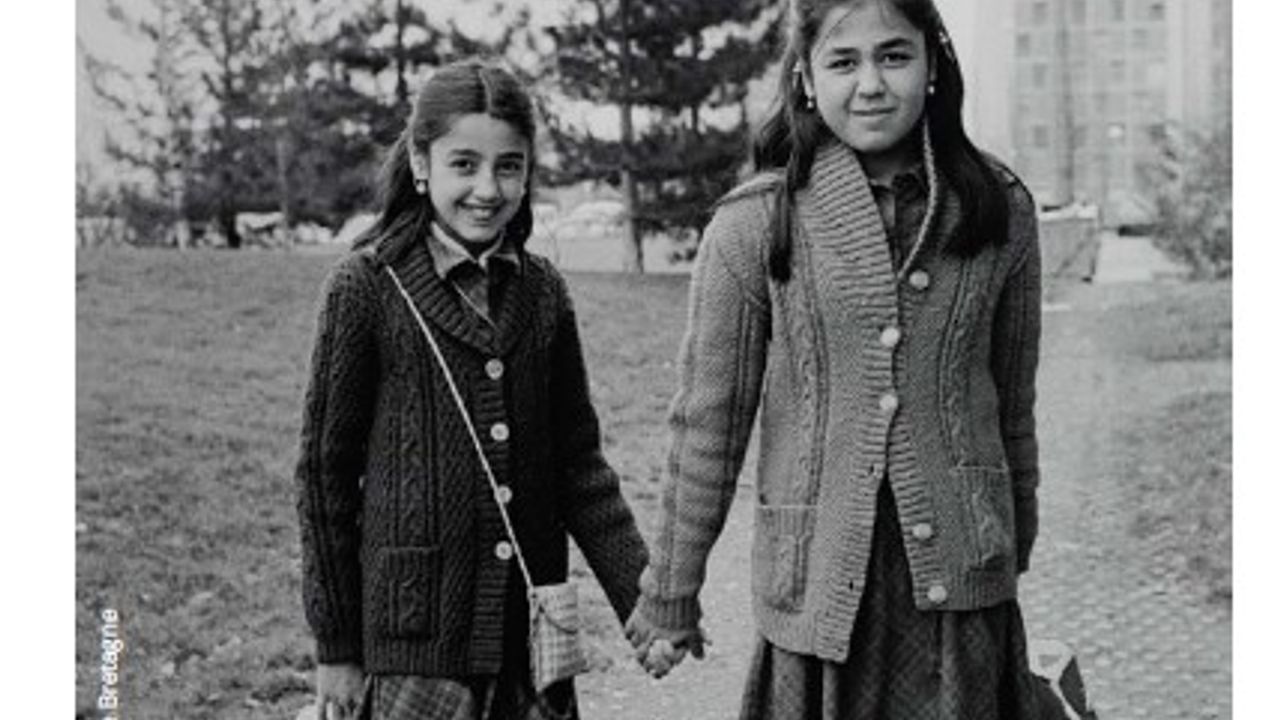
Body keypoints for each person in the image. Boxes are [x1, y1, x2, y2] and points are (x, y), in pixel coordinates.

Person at [625, 0, 1070, 717]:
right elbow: (708, 425)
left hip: (960, 596)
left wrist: (1007, 547)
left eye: (894, 56)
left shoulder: (1000, 210)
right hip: (821, 596)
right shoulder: (754, 225)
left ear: (933, 65)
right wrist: (671, 591)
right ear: (805, 77)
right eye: (843, 61)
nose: (871, 83)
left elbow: (1014, 403)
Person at [295, 58, 648, 720]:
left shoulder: (545, 295)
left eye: (508, 166)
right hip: (414, 650)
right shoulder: (364, 289)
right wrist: (336, 648)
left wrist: (644, 601)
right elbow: (324, 482)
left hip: (532, 642)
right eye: (464, 164)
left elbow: (581, 471)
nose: (488, 188)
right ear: (421, 163)